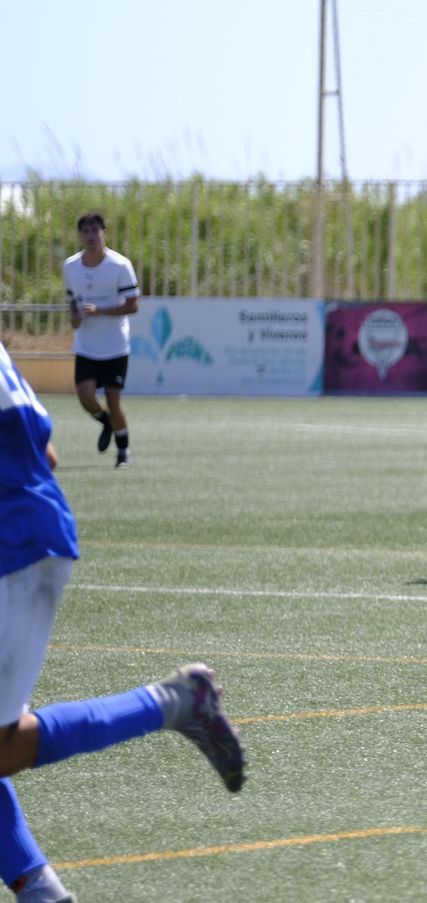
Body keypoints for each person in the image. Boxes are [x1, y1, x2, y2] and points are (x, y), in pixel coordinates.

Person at [0, 337, 246, 903]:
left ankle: (178, 702)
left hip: (12, 548)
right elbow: (49, 455)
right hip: (34, 532)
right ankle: (40, 889)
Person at [64, 213, 140, 469]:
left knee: (114, 401)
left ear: (104, 233)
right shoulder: (71, 266)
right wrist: (75, 318)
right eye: (85, 231)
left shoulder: (119, 265)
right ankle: (106, 422)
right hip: (86, 345)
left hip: (115, 346)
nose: (90, 236)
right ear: (80, 236)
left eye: (95, 230)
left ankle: (123, 452)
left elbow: (133, 305)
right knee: (85, 398)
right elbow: (73, 303)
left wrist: (101, 311)